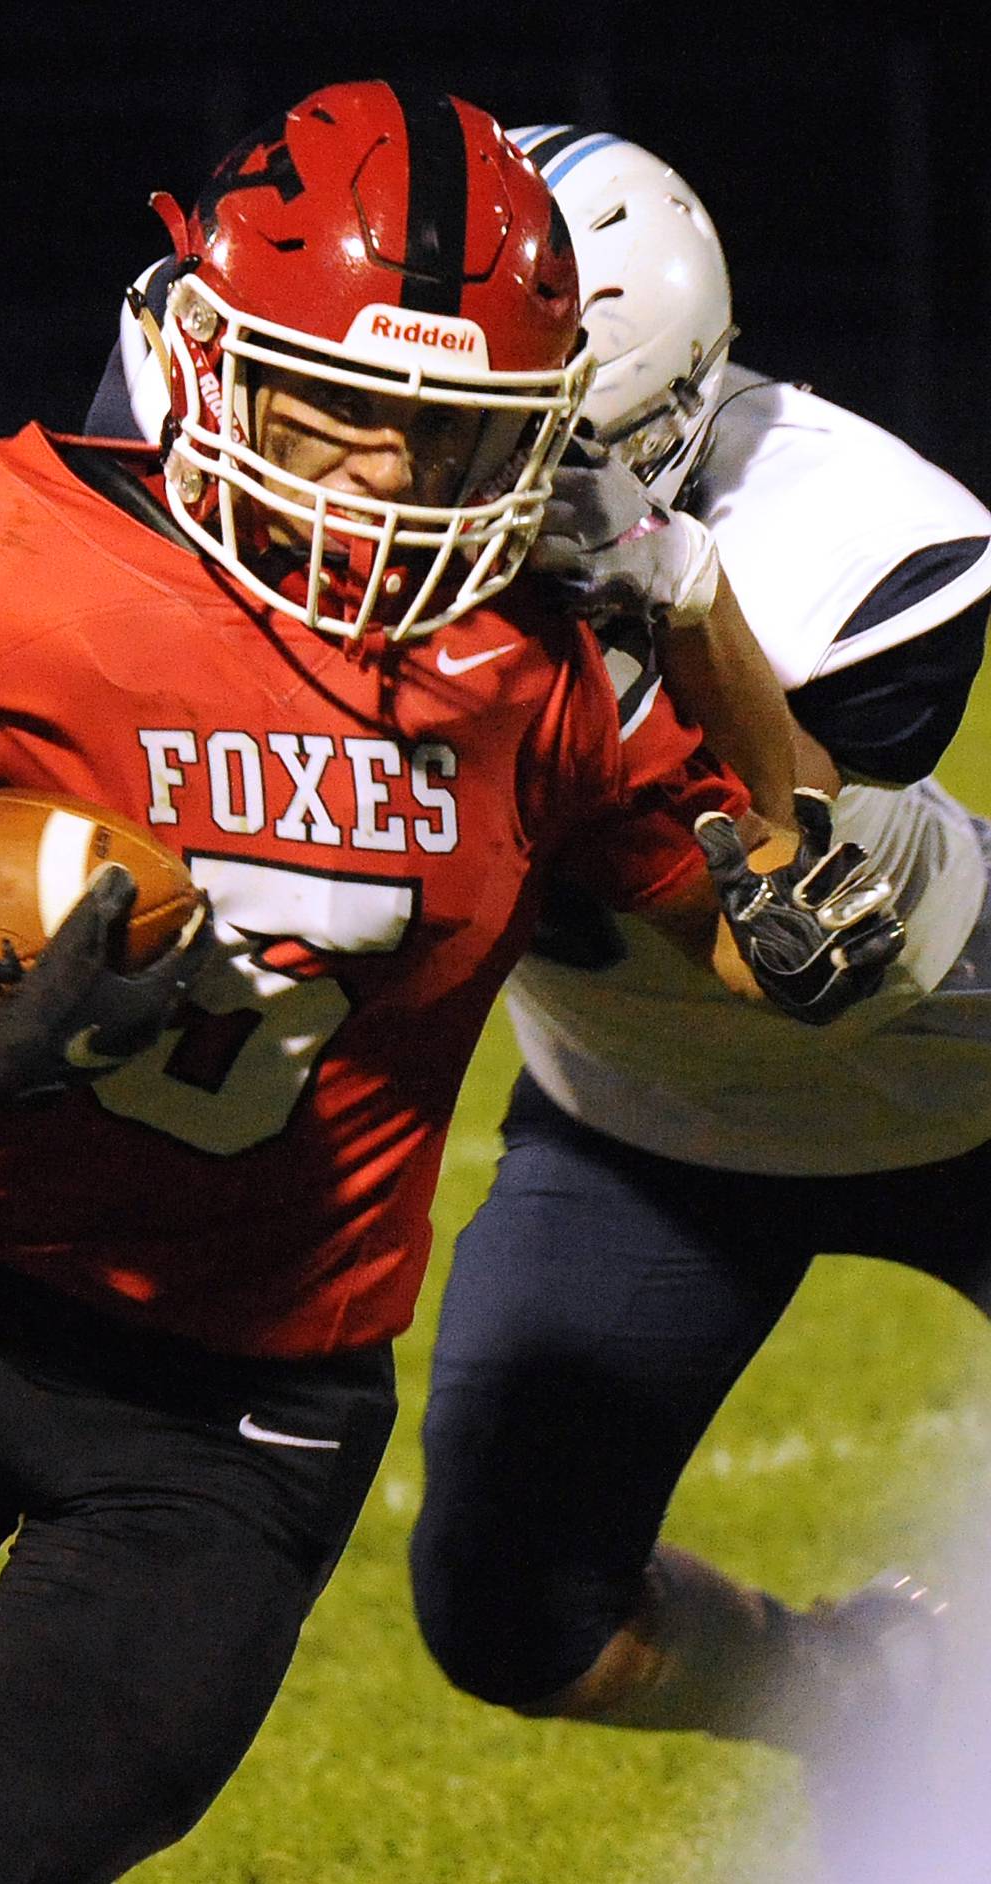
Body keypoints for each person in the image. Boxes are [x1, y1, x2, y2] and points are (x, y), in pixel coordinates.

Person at [0, 84, 895, 1884]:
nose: (385, 472)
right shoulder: (20, 562)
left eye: (442, 425)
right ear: (209, 354)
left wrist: (686, 594)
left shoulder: (540, 671)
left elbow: (778, 922)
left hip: (239, 1428)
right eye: (337, 401)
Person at [405, 127, 991, 1884]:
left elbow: (818, 895)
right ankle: (860, 1694)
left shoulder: (856, 529)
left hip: (963, 1085)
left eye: (479, 438)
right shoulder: (356, 510)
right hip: (642, 1128)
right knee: (514, 1615)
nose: (410, 472)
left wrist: (676, 593)